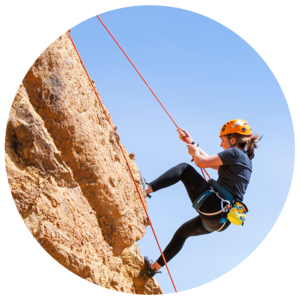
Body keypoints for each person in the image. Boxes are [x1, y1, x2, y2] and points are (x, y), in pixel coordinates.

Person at [143, 119, 262, 278]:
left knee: (184, 169)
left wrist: (194, 152)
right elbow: (210, 163)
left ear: (233, 140)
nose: (221, 145)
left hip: (215, 206)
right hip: (221, 221)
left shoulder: (234, 153)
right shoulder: (244, 160)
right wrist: (192, 143)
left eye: (223, 140)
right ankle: (153, 268)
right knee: (181, 234)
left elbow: (201, 162)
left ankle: (146, 188)